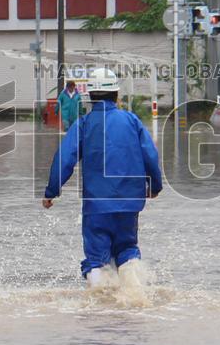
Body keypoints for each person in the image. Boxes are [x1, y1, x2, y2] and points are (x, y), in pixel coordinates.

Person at [42, 68, 163, 287]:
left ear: (89, 97)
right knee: (127, 251)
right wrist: (154, 185)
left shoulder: (84, 124)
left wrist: (52, 191)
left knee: (96, 260)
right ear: (116, 95)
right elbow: (150, 155)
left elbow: (64, 158)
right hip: (129, 204)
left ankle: (99, 304)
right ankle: (136, 296)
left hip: (96, 205)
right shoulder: (132, 121)